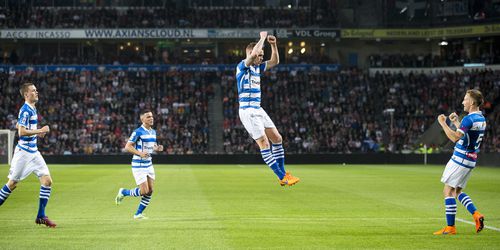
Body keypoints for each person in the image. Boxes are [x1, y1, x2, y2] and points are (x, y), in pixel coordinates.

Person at [235, 31, 299, 186]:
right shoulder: (242, 66)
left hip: (258, 108)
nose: (262, 57)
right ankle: (282, 176)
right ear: (251, 53)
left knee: (277, 138)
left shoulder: (258, 68)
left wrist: (273, 44)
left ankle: (282, 176)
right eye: (260, 55)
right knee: (264, 144)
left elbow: (275, 61)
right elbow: (255, 53)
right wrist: (262, 37)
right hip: (248, 111)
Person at [0, 83, 56, 227]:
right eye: (33, 90)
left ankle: (41, 216)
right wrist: (40, 130)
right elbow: (21, 132)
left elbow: (20, 126)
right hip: (23, 153)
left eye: (36, 90)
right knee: (12, 184)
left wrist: (38, 132)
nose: (36, 92)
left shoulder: (32, 108)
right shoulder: (26, 110)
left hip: (33, 152)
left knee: (47, 181)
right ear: (26, 94)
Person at [434, 89, 486, 235]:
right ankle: (476, 215)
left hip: (460, 158)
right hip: (471, 159)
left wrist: (443, 123)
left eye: (465, 99)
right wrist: (457, 122)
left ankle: (450, 227)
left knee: (448, 191)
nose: (463, 102)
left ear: (472, 102)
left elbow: (456, 138)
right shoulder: (480, 119)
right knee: (457, 191)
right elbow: (467, 136)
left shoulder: (469, 119)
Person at [115, 110, 163, 219]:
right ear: (142, 119)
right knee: (144, 191)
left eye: (151, 116)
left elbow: (152, 145)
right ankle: (124, 192)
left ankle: (138, 214)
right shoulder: (138, 132)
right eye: (148, 117)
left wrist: (157, 148)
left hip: (148, 164)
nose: (151, 118)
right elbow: (127, 146)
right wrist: (140, 153)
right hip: (138, 165)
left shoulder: (153, 132)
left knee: (150, 191)